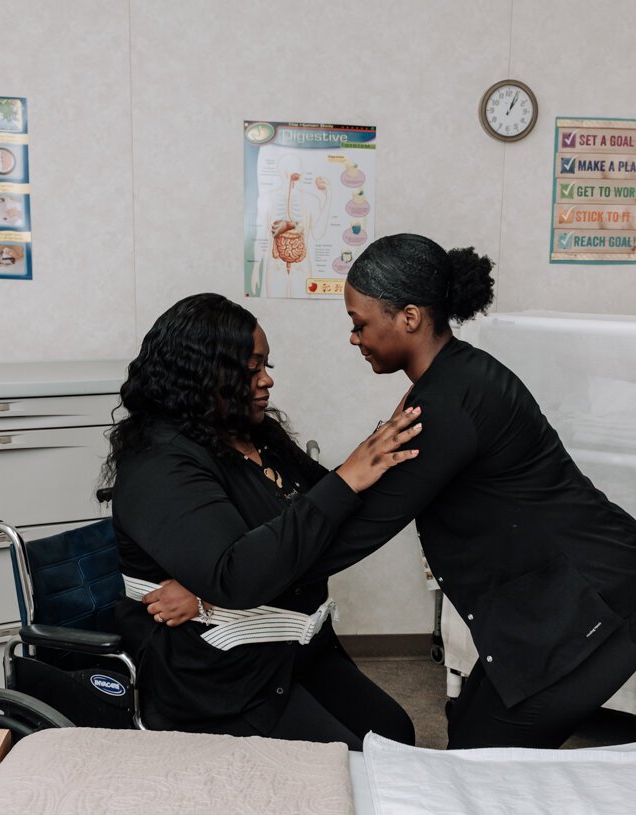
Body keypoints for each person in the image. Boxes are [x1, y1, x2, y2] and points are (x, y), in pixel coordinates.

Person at [151, 234, 636, 750]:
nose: (354, 338)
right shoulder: (454, 378)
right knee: (473, 734)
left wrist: (215, 592)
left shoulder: (446, 405)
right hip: (555, 596)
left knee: (478, 762)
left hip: (601, 598)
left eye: (360, 324)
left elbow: (357, 529)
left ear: (410, 317)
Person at [101, 293, 420, 749]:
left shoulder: (254, 434)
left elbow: (324, 517)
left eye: (265, 364)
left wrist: (383, 451)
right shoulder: (160, 461)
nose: (267, 380)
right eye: (250, 368)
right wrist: (215, 588)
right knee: (348, 763)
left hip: (290, 648)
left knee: (395, 737)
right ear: (200, 373)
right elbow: (236, 574)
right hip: (218, 673)